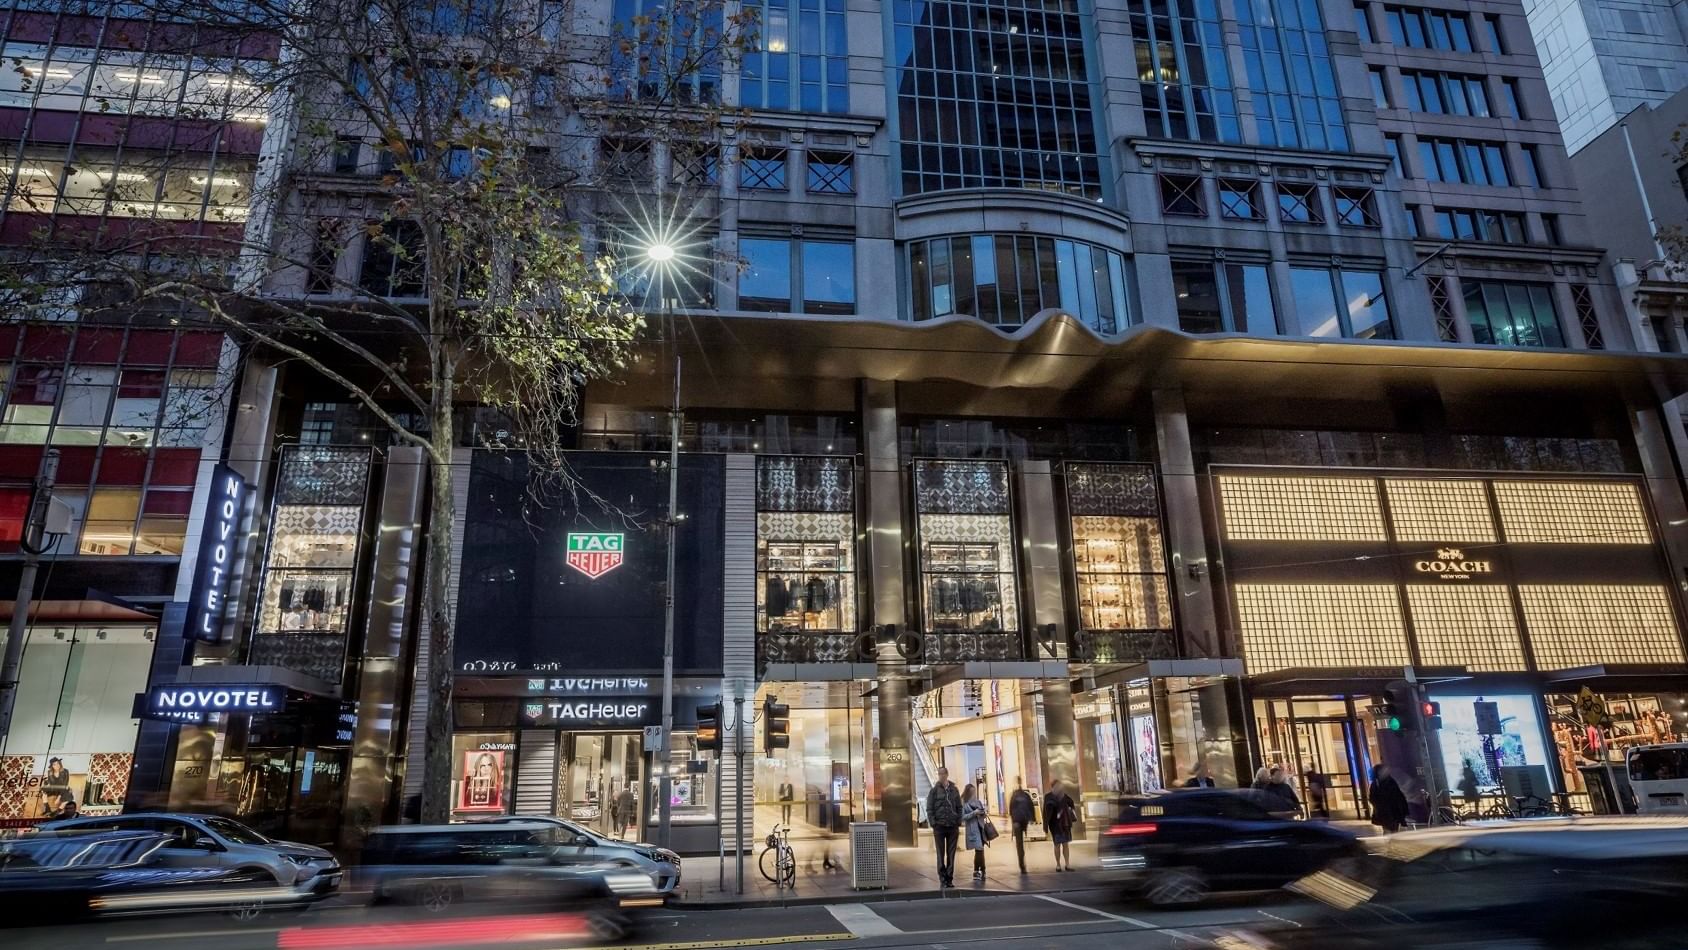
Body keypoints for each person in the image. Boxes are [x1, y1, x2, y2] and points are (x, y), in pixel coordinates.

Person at [926, 766, 962, 888]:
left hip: (952, 827)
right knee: (940, 854)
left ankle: (949, 878)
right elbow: (929, 808)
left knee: (951, 854)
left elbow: (959, 807)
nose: (941, 776)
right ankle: (942, 878)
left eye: (943, 774)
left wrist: (958, 820)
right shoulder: (934, 791)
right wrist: (933, 823)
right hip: (939, 827)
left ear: (947, 774)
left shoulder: (954, 790)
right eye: (939, 774)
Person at [1043, 779, 1076, 872]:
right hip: (1055, 825)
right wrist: (1045, 826)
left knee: (1065, 844)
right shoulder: (1048, 797)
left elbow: (1071, 803)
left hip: (1065, 825)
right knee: (1057, 844)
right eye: (1058, 786)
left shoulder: (1064, 796)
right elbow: (1045, 812)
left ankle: (1067, 864)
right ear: (1053, 787)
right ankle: (1058, 864)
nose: (1060, 787)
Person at [1368, 764, 1409, 833]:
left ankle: (1392, 840)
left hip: (1390, 811)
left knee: (1390, 828)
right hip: (1388, 811)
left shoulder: (1380, 783)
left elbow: (1396, 797)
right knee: (1390, 828)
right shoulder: (1383, 782)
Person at [961, 784, 989, 882]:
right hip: (972, 830)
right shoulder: (965, 804)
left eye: (975, 792)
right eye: (972, 792)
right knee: (979, 849)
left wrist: (983, 813)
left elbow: (984, 816)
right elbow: (962, 817)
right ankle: (979, 870)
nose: (974, 794)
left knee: (980, 850)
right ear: (968, 793)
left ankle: (981, 870)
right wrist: (974, 813)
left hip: (981, 828)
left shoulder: (978, 802)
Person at [1008, 777, 1035, 874]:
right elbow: (1031, 807)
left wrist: (1013, 820)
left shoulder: (1014, 795)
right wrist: (1032, 818)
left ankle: (1022, 865)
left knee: (1019, 844)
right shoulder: (1025, 795)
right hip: (1022, 821)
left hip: (1017, 822)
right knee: (1020, 844)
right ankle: (1022, 865)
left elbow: (1011, 809)